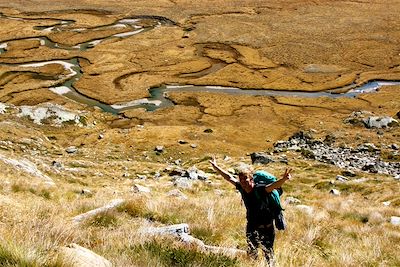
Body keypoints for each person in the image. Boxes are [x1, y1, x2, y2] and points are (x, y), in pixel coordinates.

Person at [209, 157, 292, 265]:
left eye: (245, 179)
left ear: (251, 179)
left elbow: (273, 186)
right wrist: (216, 167)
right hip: (251, 227)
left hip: (266, 228)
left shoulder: (260, 189)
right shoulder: (241, 187)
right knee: (252, 253)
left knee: (269, 255)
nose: (243, 182)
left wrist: (284, 179)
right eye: (241, 179)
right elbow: (228, 177)